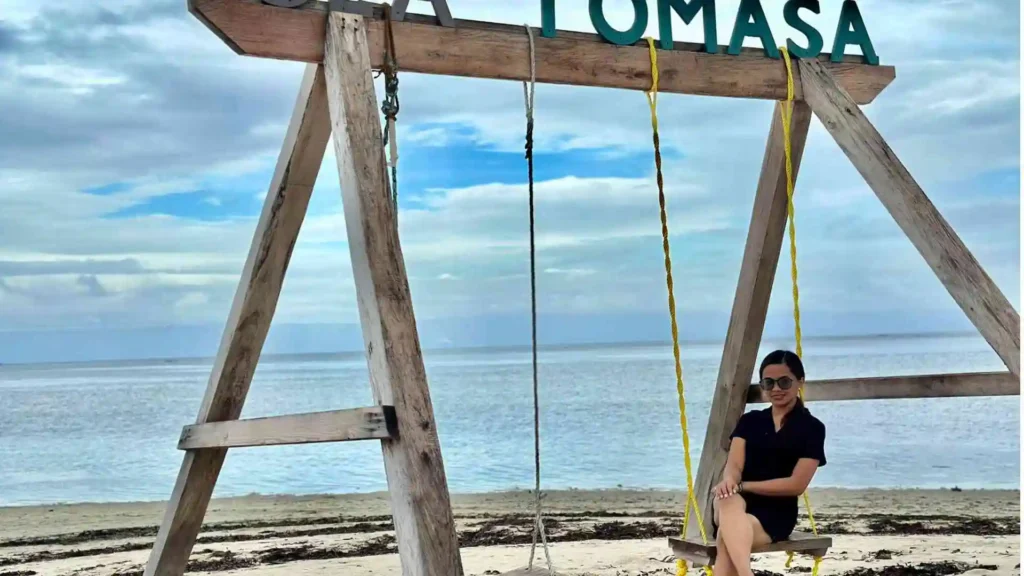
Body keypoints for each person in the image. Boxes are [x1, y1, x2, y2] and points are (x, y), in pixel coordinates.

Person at [710, 350, 827, 576]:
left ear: (800, 382)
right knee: (727, 498)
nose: (776, 389)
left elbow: (796, 485)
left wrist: (744, 486)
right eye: (768, 383)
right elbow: (734, 467)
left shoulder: (812, 428)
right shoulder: (750, 421)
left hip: (776, 513)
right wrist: (730, 482)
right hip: (734, 503)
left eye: (784, 382)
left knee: (727, 538)